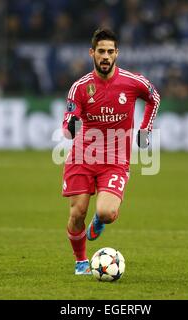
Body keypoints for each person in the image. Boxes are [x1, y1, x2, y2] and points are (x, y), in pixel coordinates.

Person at [61, 28, 160, 275]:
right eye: (101, 51)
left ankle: (100, 222)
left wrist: (145, 129)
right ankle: (81, 261)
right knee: (77, 213)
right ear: (92, 53)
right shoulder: (80, 87)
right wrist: (70, 127)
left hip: (116, 159)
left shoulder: (133, 82)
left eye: (110, 51)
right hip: (83, 156)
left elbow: (154, 98)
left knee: (105, 212)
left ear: (117, 53)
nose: (105, 56)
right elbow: (68, 122)